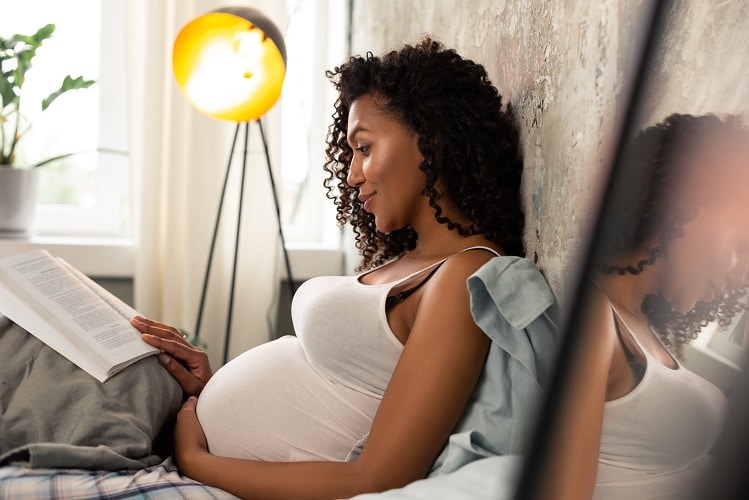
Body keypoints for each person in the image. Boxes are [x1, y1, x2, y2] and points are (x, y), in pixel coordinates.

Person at [130, 38, 556, 499]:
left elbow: (378, 479)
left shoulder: (462, 279)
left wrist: (199, 464)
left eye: (365, 147)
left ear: (430, 140)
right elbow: (332, 390)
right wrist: (211, 388)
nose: (352, 175)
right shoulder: (407, 262)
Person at [533, 113, 749, 499]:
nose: (739, 278)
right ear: (688, 201)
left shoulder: (643, 322)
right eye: (741, 247)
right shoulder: (594, 318)